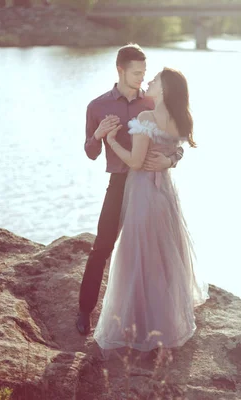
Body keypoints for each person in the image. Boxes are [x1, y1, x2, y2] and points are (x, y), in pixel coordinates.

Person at [93, 67, 209, 353]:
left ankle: (139, 324)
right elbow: (179, 149)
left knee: (139, 255)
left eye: (155, 79)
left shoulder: (146, 118)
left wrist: (111, 142)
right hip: (166, 194)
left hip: (145, 193)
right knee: (164, 254)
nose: (150, 81)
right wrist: (170, 160)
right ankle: (166, 320)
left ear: (165, 89)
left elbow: (135, 162)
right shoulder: (181, 120)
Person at [76, 44, 183, 335]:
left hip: (149, 184)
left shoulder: (151, 103)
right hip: (120, 183)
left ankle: (160, 315)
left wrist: (170, 159)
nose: (141, 78)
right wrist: (97, 136)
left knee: (154, 250)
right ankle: (85, 310)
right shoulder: (97, 106)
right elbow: (90, 153)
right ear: (120, 70)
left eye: (144, 73)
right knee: (103, 245)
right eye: (136, 73)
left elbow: (176, 141)